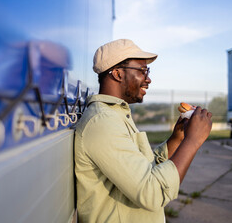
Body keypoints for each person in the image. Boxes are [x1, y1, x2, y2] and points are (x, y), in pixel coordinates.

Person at [74, 39, 212, 222]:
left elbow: (147, 169)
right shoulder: (102, 122)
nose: (148, 79)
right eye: (142, 71)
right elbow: (153, 193)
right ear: (117, 74)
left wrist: (178, 138)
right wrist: (193, 141)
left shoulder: (115, 115)